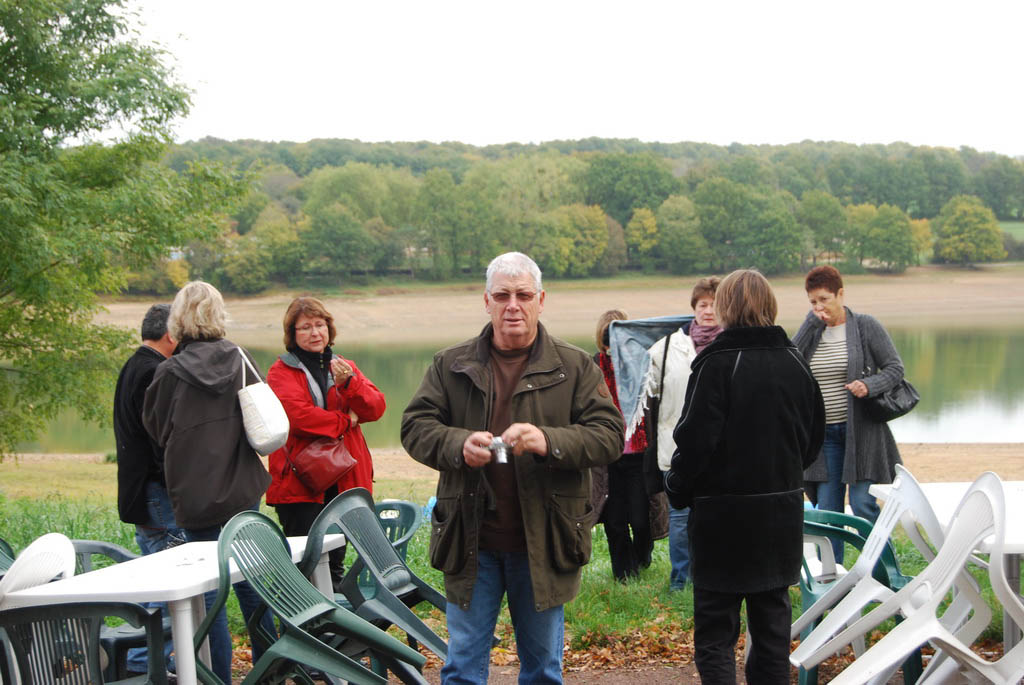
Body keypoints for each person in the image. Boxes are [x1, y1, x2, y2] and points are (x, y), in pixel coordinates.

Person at [401, 252, 624, 685]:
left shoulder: (574, 365)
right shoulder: (450, 364)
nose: (513, 306)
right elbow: (415, 427)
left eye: (523, 295)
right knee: (462, 670)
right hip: (470, 540)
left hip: (545, 540)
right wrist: (458, 444)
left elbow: (609, 435)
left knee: (542, 671)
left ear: (541, 299)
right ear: (487, 301)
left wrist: (548, 441)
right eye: (502, 296)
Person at [665, 269, 824, 684]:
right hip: (779, 516)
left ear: (725, 308)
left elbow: (694, 443)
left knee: (715, 635)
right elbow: (812, 440)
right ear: (770, 305)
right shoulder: (796, 363)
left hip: (722, 520)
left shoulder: (715, 363)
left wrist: (676, 488)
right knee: (772, 635)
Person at [142, 280, 275, 684]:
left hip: (193, 491)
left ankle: (218, 677)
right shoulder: (240, 358)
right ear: (218, 313)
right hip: (242, 485)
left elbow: (155, 429)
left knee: (208, 594)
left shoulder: (168, 372)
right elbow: (262, 413)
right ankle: (271, 669)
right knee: (253, 580)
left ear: (178, 318)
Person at [265, 296, 385, 589]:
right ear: (292, 334)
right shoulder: (280, 372)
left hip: (343, 479)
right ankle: (303, 616)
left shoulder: (345, 367)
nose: (315, 332)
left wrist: (350, 385)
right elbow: (299, 417)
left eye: (320, 325)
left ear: (329, 328)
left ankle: (335, 616)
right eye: (305, 327)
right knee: (304, 564)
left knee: (334, 563)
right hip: (301, 483)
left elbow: (376, 408)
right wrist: (346, 421)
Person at [793, 265, 906, 560]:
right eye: (813, 302)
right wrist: (809, 324)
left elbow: (895, 369)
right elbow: (789, 365)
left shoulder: (866, 326)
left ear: (840, 294)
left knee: (862, 504)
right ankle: (832, 577)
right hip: (824, 438)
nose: (819, 307)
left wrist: (869, 385)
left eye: (824, 299)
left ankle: (884, 571)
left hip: (862, 434)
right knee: (828, 511)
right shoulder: (812, 331)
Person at [112, 303, 182, 675]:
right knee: (171, 584)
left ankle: (148, 662)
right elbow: (158, 439)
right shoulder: (154, 371)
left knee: (157, 580)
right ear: (171, 335)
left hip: (141, 493)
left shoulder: (133, 365)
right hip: (156, 493)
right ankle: (143, 665)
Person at [645, 276, 721, 590]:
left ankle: (713, 577)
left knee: (716, 516)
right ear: (694, 308)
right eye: (703, 305)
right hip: (675, 446)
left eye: (714, 305)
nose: (708, 311)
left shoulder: (730, 346)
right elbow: (647, 390)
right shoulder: (666, 348)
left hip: (720, 450)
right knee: (679, 517)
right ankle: (680, 581)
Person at [594, 310, 654, 582]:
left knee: (640, 519)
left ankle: (642, 559)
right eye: (609, 338)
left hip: (638, 454)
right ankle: (623, 574)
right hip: (608, 457)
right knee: (615, 521)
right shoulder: (594, 368)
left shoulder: (641, 365)